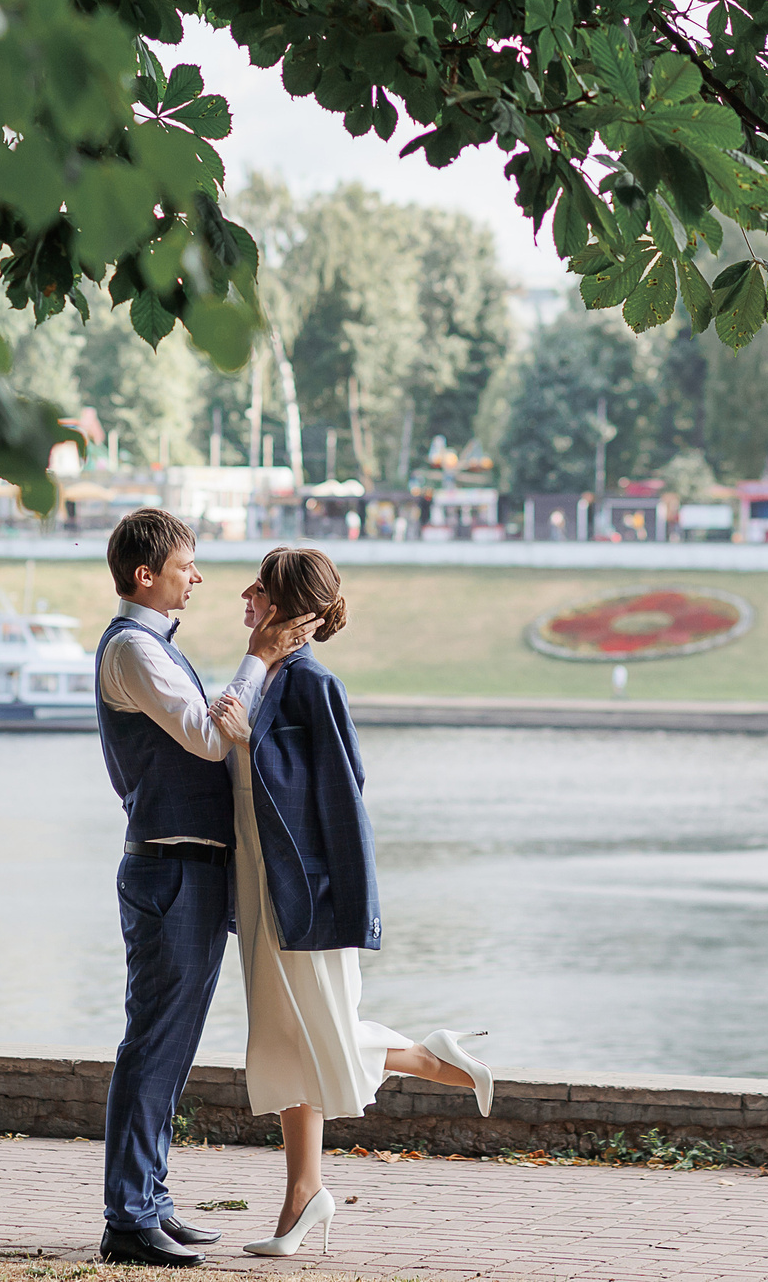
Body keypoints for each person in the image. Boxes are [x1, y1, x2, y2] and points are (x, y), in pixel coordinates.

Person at [209, 545, 494, 1260]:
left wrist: (347, 904)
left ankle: (432, 1060)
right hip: (263, 888)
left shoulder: (310, 682)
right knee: (283, 1039)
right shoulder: (267, 676)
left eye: (261, 587)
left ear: (291, 607)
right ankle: (304, 1194)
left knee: (314, 1036)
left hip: (305, 895)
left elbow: (343, 792)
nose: (246, 594)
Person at [94, 509, 318, 1269]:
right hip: (170, 868)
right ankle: (128, 1215)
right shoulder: (132, 651)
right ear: (145, 575)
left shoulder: (154, 648)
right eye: (188, 565)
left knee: (171, 1046)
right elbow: (206, 733)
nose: (199, 577)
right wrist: (258, 656)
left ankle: (148, 1201)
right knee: (153, 1043)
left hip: (190, 868)